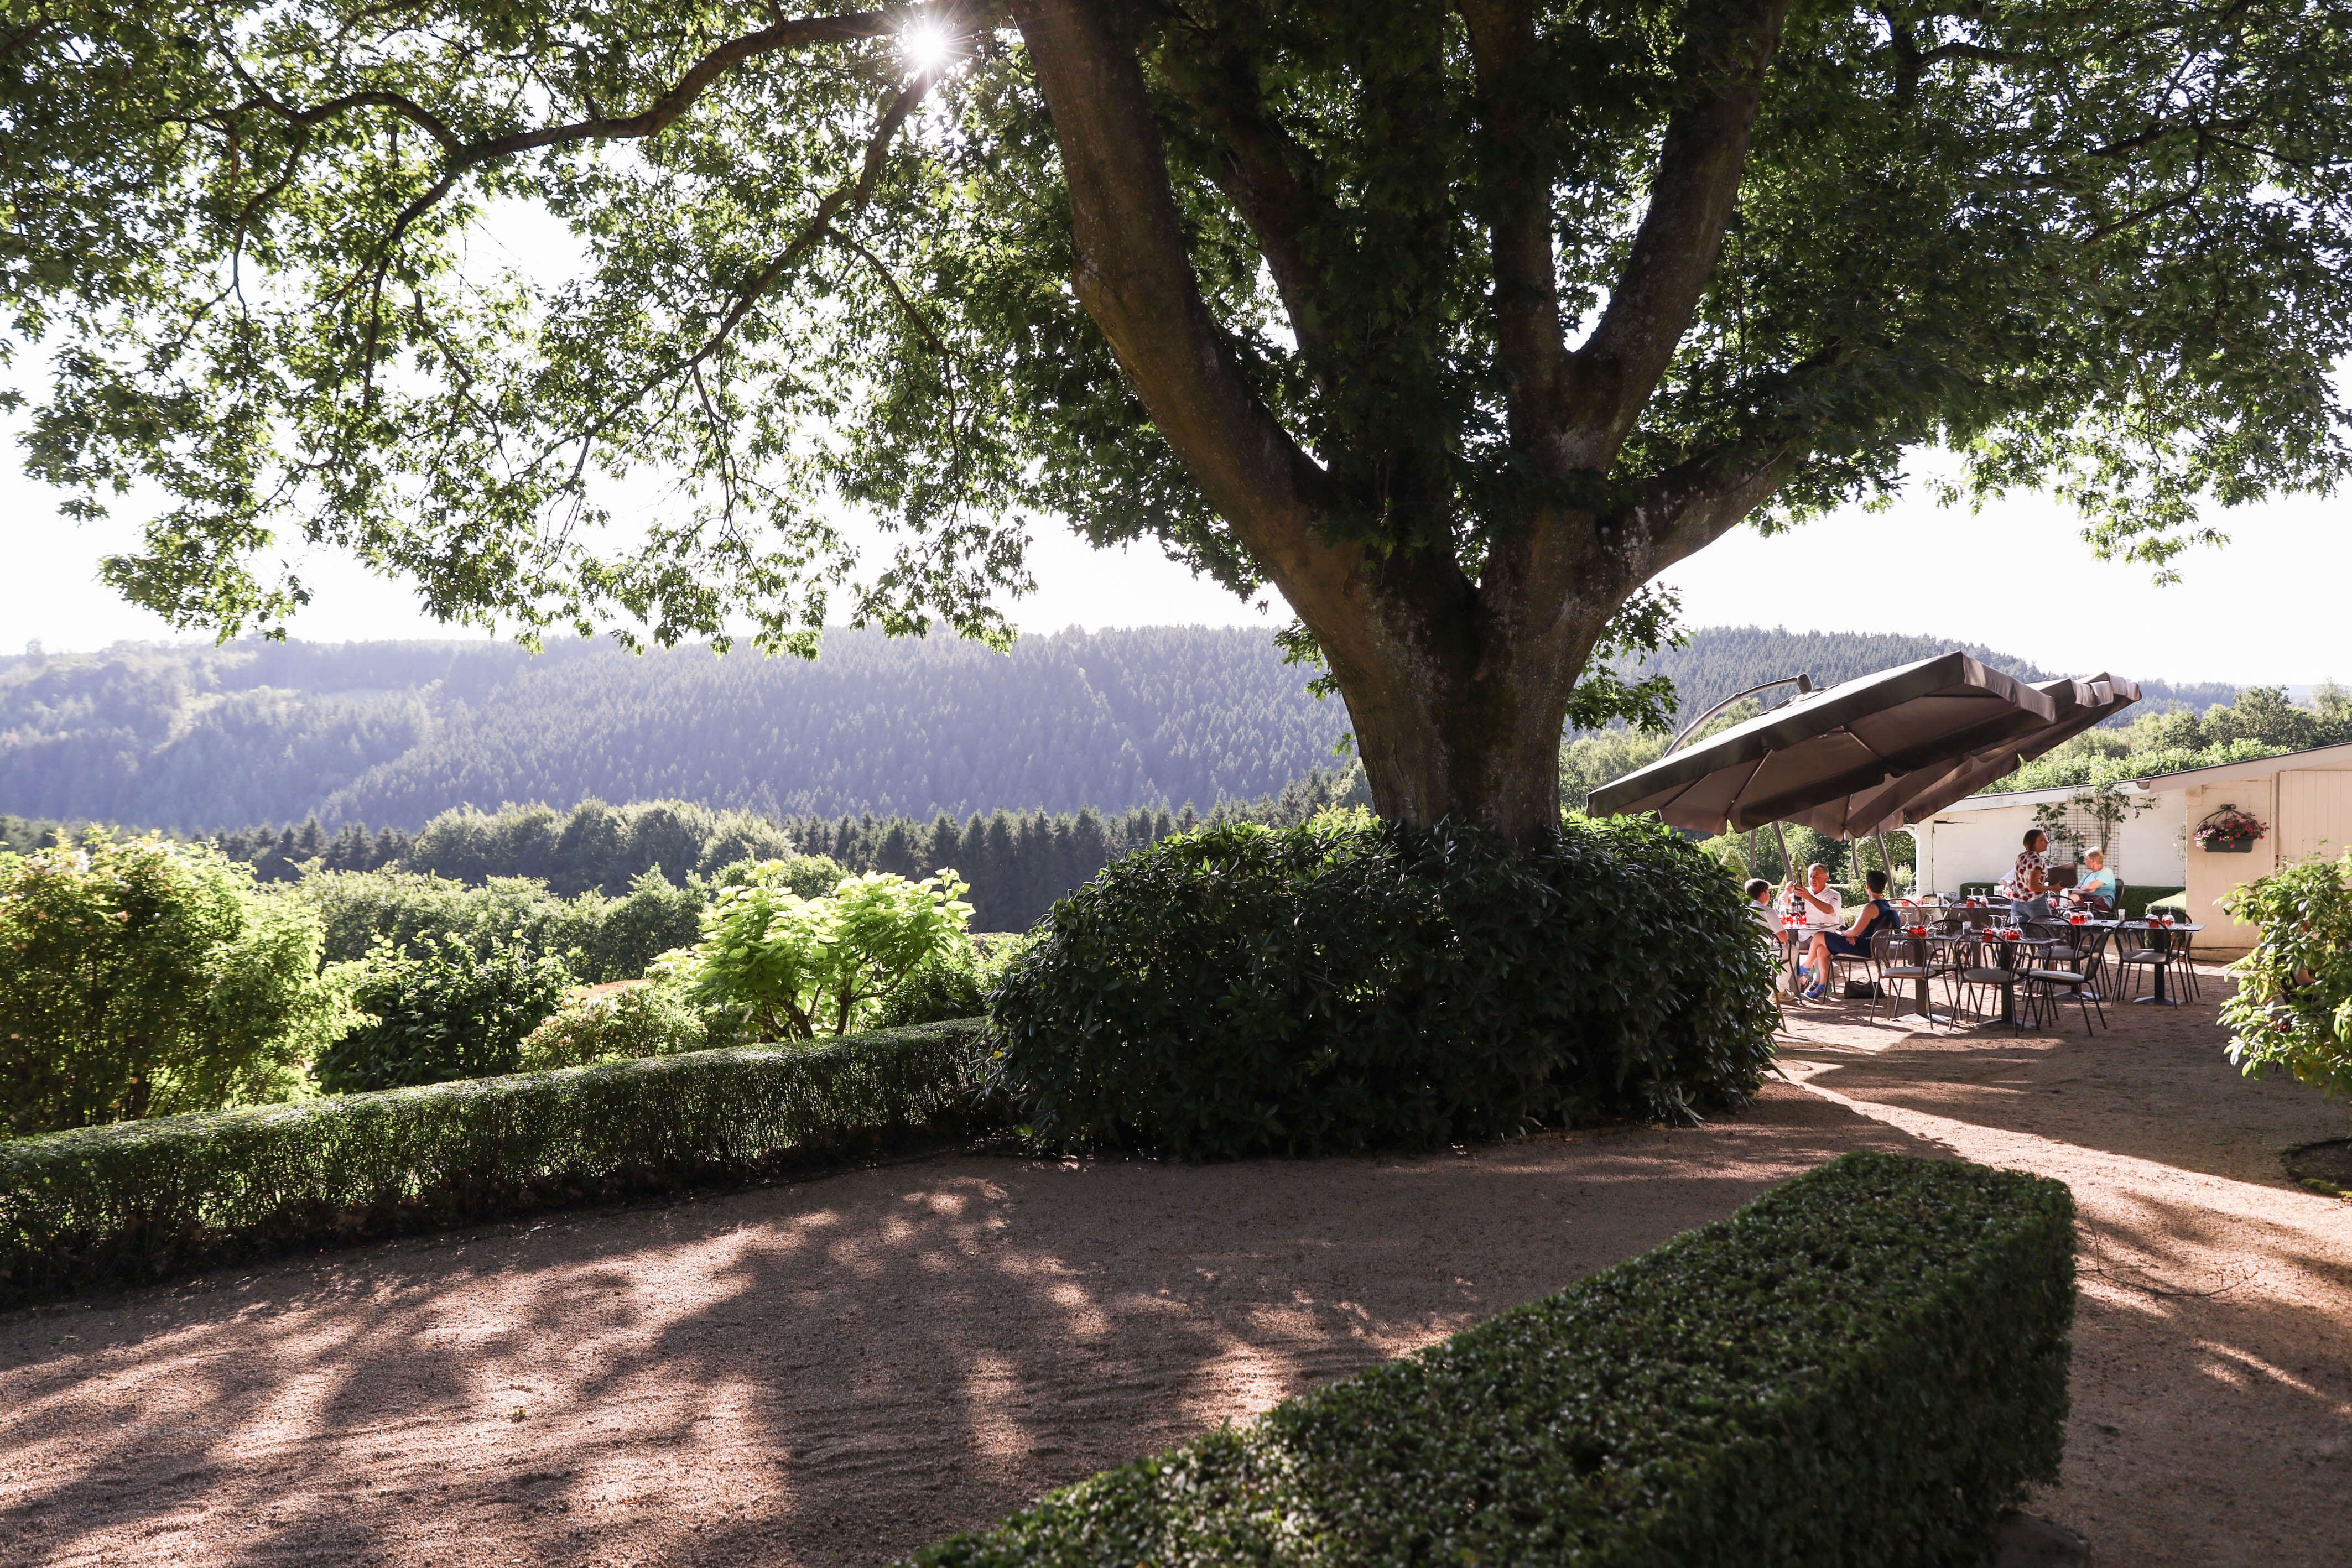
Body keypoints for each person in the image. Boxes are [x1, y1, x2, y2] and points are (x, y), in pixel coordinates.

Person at [1800, 869, 1897, 1001]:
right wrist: (1851, 934)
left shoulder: (1871, 907)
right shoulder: (1884, 905)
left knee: (1819, 935)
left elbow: (1854, 931)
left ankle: (1805, 968)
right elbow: (1863, 930)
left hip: (1863, 948)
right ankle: (1821, 987)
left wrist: (1845, 933)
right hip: (1870, 946)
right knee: (1822, 950)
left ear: (1867, 887)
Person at [1782, 863, 1844, 990]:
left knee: (1819, 948)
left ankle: (1816, 982)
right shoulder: (1803, 892)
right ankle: (1790, 983)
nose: (1813, 879)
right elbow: (1784, 905)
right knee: (1787, 948)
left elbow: (1829, 910)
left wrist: (1808, 897)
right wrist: (1787, 892)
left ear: (1826, 878)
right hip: (1804, 935)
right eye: (1811, 876)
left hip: (1826, 937)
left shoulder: (1834, 895)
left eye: (1817, 876)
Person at [1999, 829, 2053, 923]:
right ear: (2033, 842)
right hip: (2035, 901)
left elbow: (2025, 878)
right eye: (2042, 840)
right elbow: (2033, 887)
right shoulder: (2037, 860)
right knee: (2044, 935)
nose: (2047, 842)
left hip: (2018, 901)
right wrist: (2054, 887)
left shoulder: (2021, 857)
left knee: (2020, 935)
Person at [2075, 848, 2119, 913]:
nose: (2084, 862)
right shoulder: (2088, 874)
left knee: (2071, 905)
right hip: (2088, 900)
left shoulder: (2107, 872)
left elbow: (2090, 887)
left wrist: (2084, 888)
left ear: (2092, 861)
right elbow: (2075, 890)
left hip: (2101, 902)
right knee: (2069, 899)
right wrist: (2087, 891)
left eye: (2086, 859)